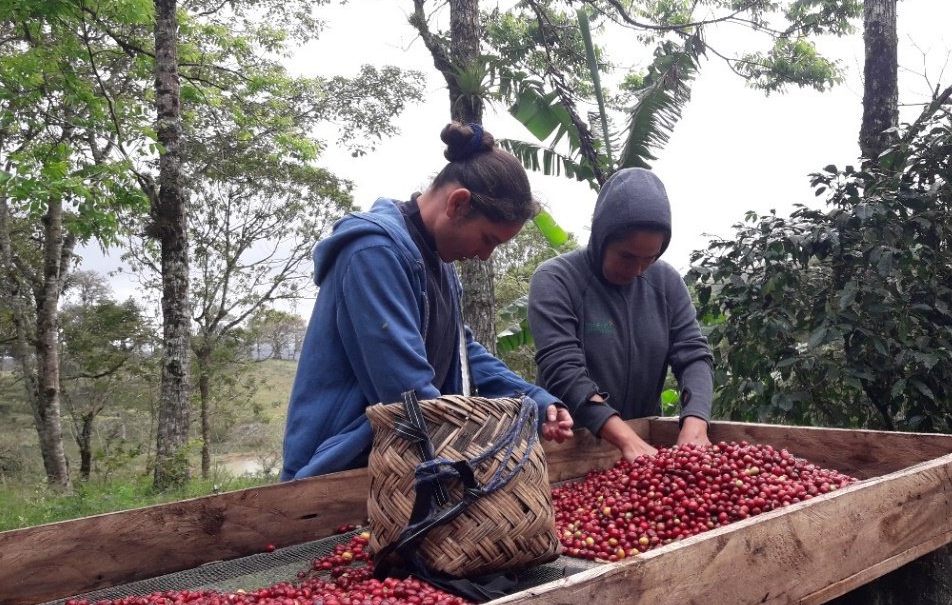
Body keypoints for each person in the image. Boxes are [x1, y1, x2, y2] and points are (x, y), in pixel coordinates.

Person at [281, 122, 575, 481]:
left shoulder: (437, 263)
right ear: (458, 203)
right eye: (488, 239)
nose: (484, 256)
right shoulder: (373, 254)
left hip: (399, 466)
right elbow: (406, 390)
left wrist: (535, 400)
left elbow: (462, 351)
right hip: (337, 471)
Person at [527, 167, 714, 462]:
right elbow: (562, 368)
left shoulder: (666, 283)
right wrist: (625, 439)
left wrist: (695, 420)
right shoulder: (556, 279)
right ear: (602, 239)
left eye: (649, 258)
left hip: (644, 449)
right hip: (569, 451)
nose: (637, 269)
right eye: (626, 256)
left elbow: (693, 355)